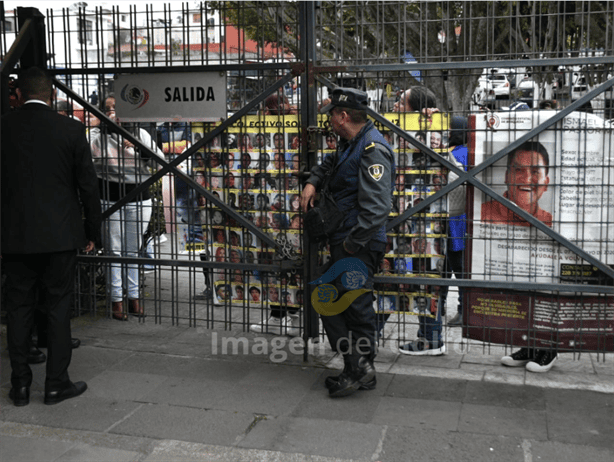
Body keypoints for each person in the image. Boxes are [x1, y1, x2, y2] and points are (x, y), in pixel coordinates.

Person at [1, 67, 102, 406]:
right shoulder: (71, 130)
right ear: (51, 94)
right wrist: (92, 232)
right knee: (58, 307)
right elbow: (88, 186)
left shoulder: (3, 127)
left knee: (18, 307)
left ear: (19, 93)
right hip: (60, 234)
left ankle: (20, 386)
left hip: (14, 235)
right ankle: (57, 383)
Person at [301, 87, 394, 397]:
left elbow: (378, 208)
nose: (328, 121)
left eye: (330, 115)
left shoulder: (371, 148)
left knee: (349, 302)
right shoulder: (350, 143)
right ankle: (360, 368)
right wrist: (313, 181)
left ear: (342, 116)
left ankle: (359, 368)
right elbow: (329, 164)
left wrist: (353, 244)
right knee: (340, 300)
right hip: (349, 238)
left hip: (359, 240)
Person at [89, 94, 165, 320]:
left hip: (139, 198)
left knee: (133, 250)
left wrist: (139, 148)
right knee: (113, 250)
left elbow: (159, 161)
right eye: (108, 109)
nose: (113, 113)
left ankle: (133, 296)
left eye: (117, 108)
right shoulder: (96, 136)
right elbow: (88, 164)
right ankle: (116, 300)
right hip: (109, 198)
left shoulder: (139, 133)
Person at [396, 84, 446, 357]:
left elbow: (463, 127)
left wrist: (436, 119)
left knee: (425, 279)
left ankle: (430, 338)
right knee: (401, 277)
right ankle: (427, 336)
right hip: (400, 219)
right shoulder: (393, 127)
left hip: (424, 222)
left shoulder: (433, 131)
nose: (395, 105)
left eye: (401, 102)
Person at [481, 141, 552, 227]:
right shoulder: (481, 213)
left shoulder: (550, 221)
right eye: (518, 170)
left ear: (546, 183)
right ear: (506, 177)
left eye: (535, 172)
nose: (526, 180)